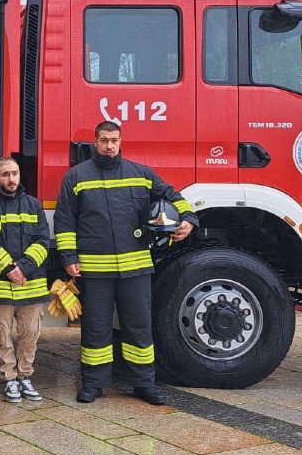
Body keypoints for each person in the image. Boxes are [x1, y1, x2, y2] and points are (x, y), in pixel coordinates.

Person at [54, 121, 197, 406]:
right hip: (96, 269)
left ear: (121, 141)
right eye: (104, 140)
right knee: (96, 328)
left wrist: (189, 220)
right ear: (95, 142)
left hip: (135, 267)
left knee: (139, 326)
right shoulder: (77, 176)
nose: (109, 146)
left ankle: (144, 384)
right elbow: (65, 221)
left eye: (114, 140)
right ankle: (93, 384)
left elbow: (173, 196)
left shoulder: (141, 174)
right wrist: (69, 258)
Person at [0, 157, 50, 403]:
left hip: (30, 281)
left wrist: (23, 267)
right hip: (0, 282)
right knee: (1, 333)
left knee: (30, 332)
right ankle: (9, 379)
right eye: (5, 174)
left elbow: (42, 241)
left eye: (14, 173)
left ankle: (25, 376)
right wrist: (9, 268)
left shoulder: (33, 205)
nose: (11, 178)